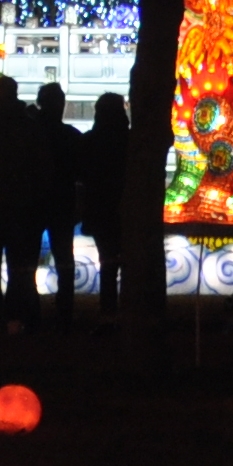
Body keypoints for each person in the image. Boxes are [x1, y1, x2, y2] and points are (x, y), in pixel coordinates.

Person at [0, 78, 52, 330]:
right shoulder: (29, 126)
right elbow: (41, 168)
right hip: (22, 204)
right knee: (18, 264)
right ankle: (15, 316)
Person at [82, 91, 138, 320]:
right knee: (130, 262)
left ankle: (108, 313)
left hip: (99, 209)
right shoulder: (132, 141)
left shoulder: (90, 140)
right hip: (128, 208)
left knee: (107, 262)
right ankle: (130, 313)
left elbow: (81, 174)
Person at [35, 81, 84, 305]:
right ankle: (65, 306)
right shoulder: (71, 136)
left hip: (34, 201)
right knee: (64, 256)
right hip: (63, 201)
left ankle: (28, 307)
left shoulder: (30, 135)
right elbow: (81, 173)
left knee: (27, 257)